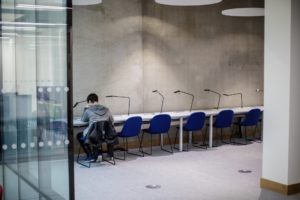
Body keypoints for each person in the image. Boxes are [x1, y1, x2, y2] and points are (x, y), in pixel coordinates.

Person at [76, 93, 114, 162]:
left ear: (89, 101)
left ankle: (90, 156)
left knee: (79, 135)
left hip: (94, 136)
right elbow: (112, 121)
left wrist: (85, 108)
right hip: (106, 135)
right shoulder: (106, 109)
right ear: (97, 100)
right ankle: (110, 155)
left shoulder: (88, 110)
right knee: (98, 134)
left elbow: (83, 120)